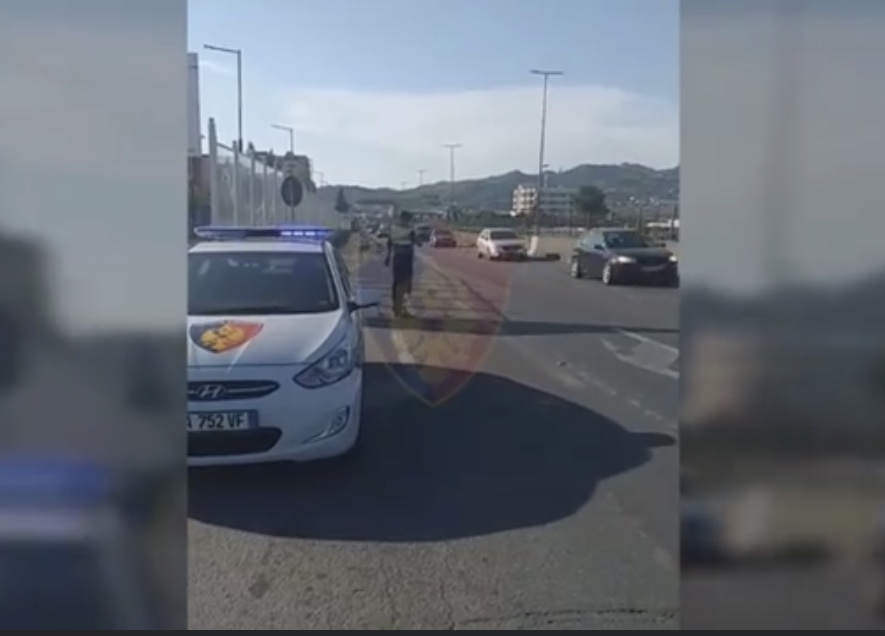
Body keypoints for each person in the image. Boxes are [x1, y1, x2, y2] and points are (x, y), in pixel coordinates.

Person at [384, 210, 416, 318]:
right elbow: (417, 241)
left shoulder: (393, 228)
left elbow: (389, 243)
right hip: (406, 257)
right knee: (406, 283)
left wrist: (388, 257)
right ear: (407, 219)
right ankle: (401, 308)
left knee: (397, 282)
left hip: (397, 257)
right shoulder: (410, 229)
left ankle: (397, 306)